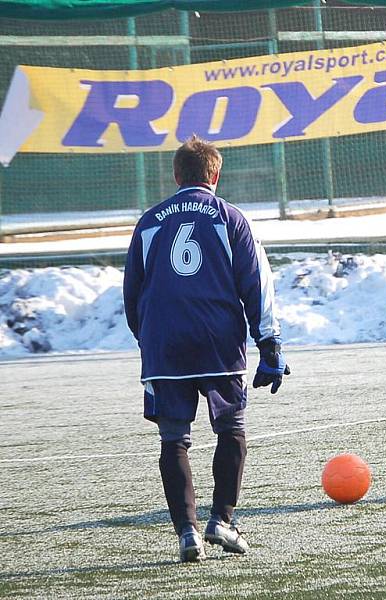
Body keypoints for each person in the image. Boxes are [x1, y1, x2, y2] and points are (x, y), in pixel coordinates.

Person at [123, 135, 290, 562]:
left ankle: (187, 534)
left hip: (165, 343)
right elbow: (257, 281)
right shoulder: (229, 217)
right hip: (218, 339)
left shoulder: (150, 220)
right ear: (215, 175)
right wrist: (268, 344)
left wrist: (150, 339)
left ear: (177, 175)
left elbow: (133, 289)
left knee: (173, 439)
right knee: (232, 429)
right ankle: (222, 520)